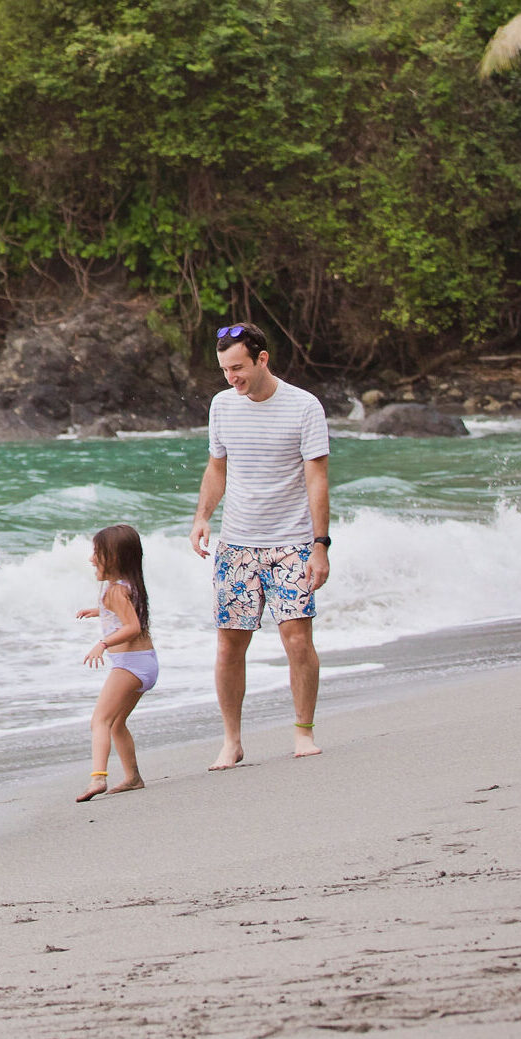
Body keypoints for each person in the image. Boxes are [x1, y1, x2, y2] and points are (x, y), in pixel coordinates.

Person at [190, 321, 331, 770]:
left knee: (296, 637)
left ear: (262, 359)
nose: (232, 378)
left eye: (238, 368)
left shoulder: (304, 407)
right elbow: (217, 468)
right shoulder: (222, 405)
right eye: (225, 370)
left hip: (291, 542)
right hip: (237, 545)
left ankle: (303, 731)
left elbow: (317, 478)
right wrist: (202, 517)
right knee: (229, 644)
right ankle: (231, 740)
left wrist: (320, 544)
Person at [75, 522, 158, 802]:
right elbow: (124, 612)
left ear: (115, 558)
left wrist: (103, 642)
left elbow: (132, 626)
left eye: (97, 552)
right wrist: (99, 611)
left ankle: (98, 777)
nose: (91, 558)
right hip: (145, 663)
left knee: (100, 720)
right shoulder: (126, 586)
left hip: (129, 665)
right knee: (117, 722)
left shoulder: (114, 591)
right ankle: (133, 777)